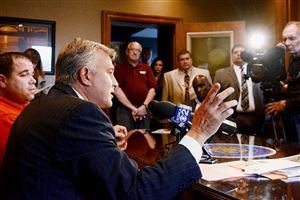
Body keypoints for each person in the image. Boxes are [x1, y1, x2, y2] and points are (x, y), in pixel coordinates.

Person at [1, 37, 237, 200]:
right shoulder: (79, 113)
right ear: (85, 75)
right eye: (110, 73)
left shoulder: (44, 103)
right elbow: (139, 193)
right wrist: (198, 133)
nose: (115, 83)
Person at [214, 44, 265, 137]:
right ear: (231, 55)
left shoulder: (258, 71)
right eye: (235, 52)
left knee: (255, 148)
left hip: (257, 117)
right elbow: (216, 97)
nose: (238, 54)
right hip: (233, 117)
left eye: (241, 52)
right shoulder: (221, 73)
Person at [0, 52, 36, 172]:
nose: (33, 81)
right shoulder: (6, 117)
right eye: (24, 75)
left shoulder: (22, 103)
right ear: (2, 81)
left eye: (32, 74)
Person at [265, 21, 300, 143]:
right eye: (285, 39)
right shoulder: (293, 58)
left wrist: (284, 104)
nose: (287, 43)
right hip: (292, 116)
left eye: (292, 38)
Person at [114, 41, 157, 131]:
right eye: (132, 49)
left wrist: (144, 106)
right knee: (125, 137)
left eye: (138, 50)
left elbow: (152, 90)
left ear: (140, 53)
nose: (135, 52)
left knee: (144, 138)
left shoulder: (147, 68)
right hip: (124, 110)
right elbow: (117, 90)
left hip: (144, 108)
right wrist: (133, 108)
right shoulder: (119, 68)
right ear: (127, 52)